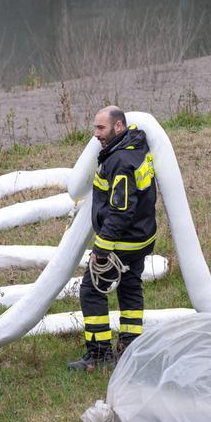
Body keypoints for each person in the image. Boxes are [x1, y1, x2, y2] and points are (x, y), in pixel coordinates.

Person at [68, 106, 157, 372]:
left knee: (91, 290)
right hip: (141, 238)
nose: (96, 134)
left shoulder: (119, 162)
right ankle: (130, 348)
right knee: (130, 288)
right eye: (95, 128)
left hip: (121, 242)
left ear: (118, 127)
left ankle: (99, 353)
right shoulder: (136, 150)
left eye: (101, 128)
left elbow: (121, 209)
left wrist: (102, 248)